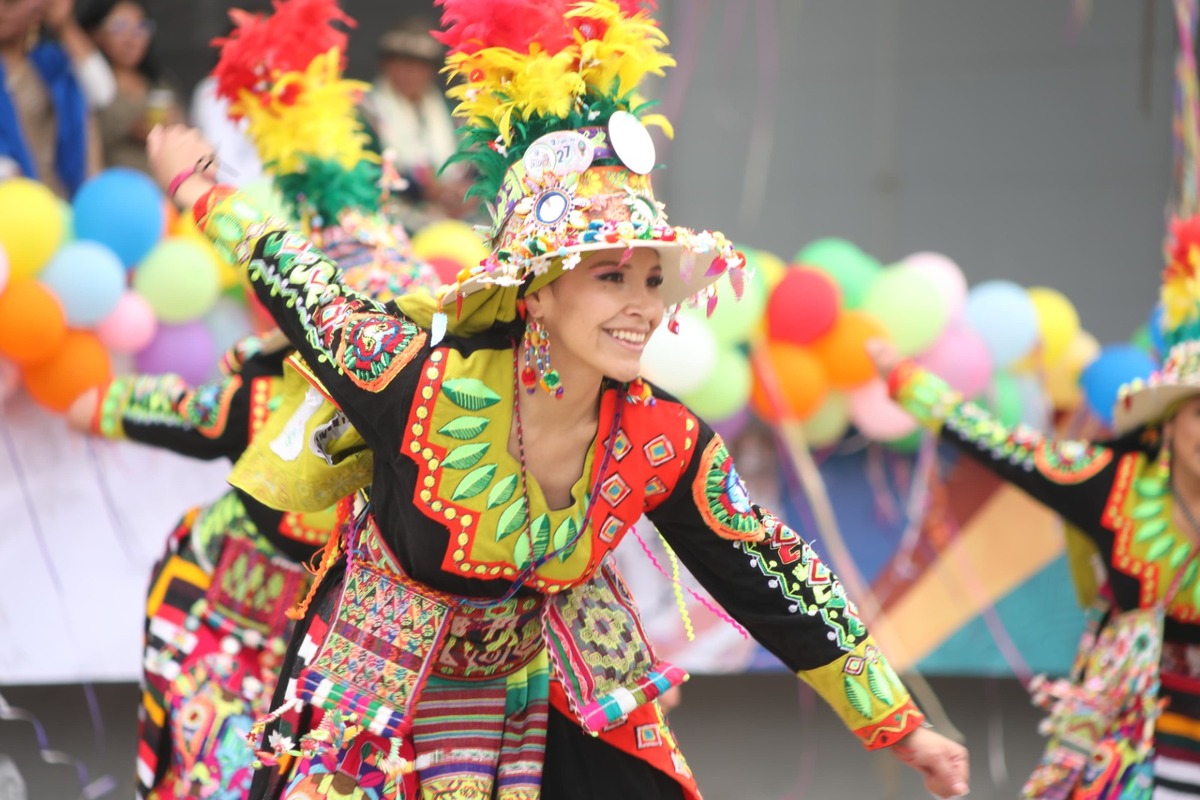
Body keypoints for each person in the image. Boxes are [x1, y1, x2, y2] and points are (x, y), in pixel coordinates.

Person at [144, 1, 970, 797]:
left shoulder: (660, 437)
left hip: (544, 675)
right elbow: (301, 282)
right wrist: (194, 185)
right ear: (535, 293)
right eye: (609, 275)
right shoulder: (415, 380)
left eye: (652, 278)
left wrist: (901, 728)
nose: (643, 303)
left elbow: (769, 574)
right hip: (376, 678)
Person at [866, 216, 1200, 798]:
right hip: (1127, 753)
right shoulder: (1117, 485)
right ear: (1169, 424)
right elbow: (1004, 446)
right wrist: (906, 382)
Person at [361, 17, 475, 227]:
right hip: (392, 219)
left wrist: (465, 192)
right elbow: (365, 177)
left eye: (420, 65)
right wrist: (418, 187)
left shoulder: (452, 115)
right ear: (387, 65)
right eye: (404, 63)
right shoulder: (367, 114)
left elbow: (471, 168)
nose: (411, 73)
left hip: (454, 219)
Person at [0, 0, 102, 196]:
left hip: (59, 196)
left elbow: (102, 93)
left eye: (11, 2)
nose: (1, 9)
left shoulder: (51, 65)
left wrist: (64, 25)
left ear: (37, 11)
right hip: (12, 202)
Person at [78, 0, 180, 173]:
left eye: (141, 26)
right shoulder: (88, 83)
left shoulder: (158, 82)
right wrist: (130, 129)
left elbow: (185, 127)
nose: (131, 37)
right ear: (95, 33)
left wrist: (174, 126)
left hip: (162, 191)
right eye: (119, 26)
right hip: (114, 189)